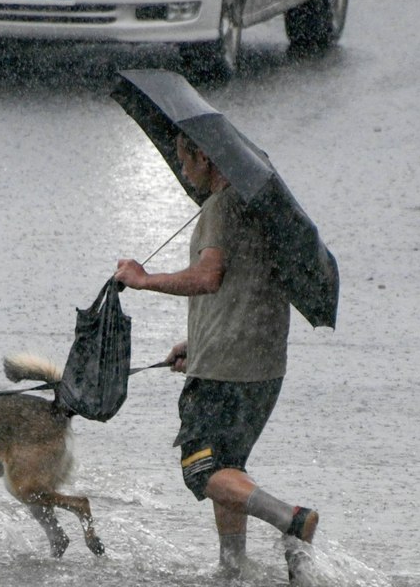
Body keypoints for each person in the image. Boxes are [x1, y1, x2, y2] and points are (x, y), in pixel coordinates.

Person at [113, 133, 318, 578]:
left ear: (203, 156)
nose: (182, 169)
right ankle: (232, 567)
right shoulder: (260, 210)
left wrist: (144, 280)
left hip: (227, 367)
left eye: (183, 157)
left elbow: (209, 277)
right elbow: (244, 287)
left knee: (200, 469)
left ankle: (291, 520)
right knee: (229, 468)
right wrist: (198, 343)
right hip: (262, 365)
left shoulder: (220, 208)